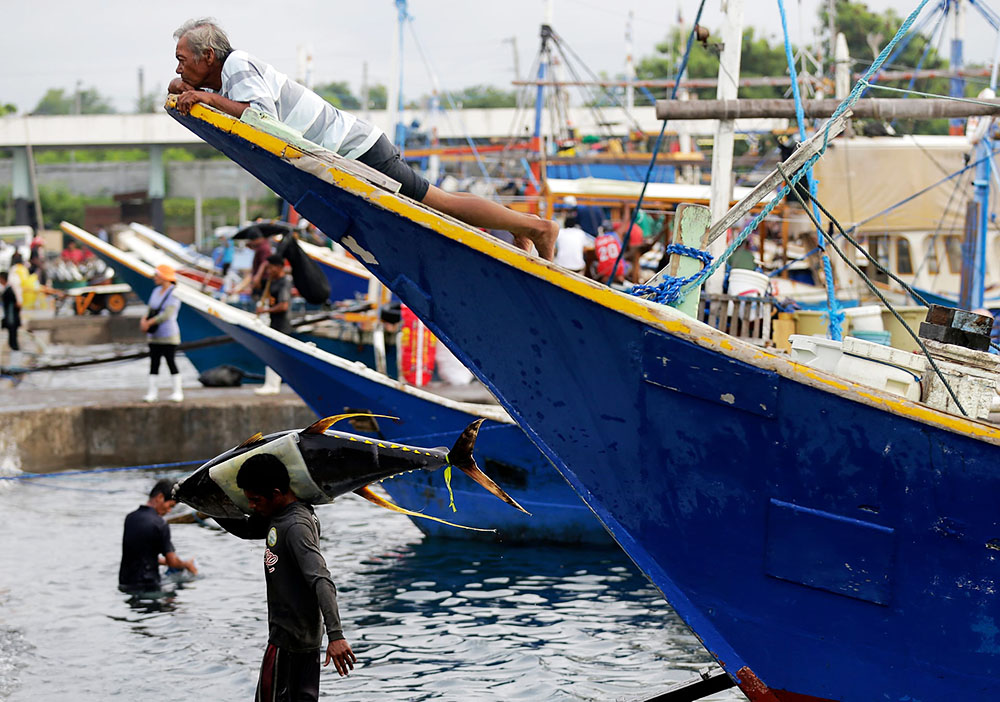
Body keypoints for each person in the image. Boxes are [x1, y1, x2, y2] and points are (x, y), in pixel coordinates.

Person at [168, 18, 557, 261]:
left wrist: (206, 97)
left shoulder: (237, 66)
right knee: (438, 203)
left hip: (359, 149)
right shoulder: (227, 77)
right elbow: (224, 102)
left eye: (183, 59)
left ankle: (537, 227)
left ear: (208, 56)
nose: (179, 68)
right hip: (351, 148)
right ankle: (521, 225)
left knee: (440, 203)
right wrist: (193, 90)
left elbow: (263, 119)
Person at [230, 453, 356, 699]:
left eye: (256, 500)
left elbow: (321, 579)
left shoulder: (295, 526)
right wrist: (204, 504)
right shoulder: (283, 515)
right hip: (304, 643)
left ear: (277, 493)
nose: (252, 506)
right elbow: (247, 529)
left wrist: (336, 635)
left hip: (287, 646)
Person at [119, 479, 197, 593]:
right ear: (160, 497)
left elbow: (140, 556)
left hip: (125, 583)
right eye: (170, 505)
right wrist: (187, 565)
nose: (169, 511)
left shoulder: (130, 518)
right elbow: (172, 562)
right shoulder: (160, 524)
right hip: (148, 586)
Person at [140, 264, 184, 402]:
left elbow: (167, 314)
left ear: (164, 276)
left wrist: (149, 323)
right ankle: (152, 393)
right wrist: (144, 320)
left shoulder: (174, 293)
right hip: (154, 335)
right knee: (154, 363)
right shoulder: (156, 291)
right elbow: (149, 309)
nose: (155, 278)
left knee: (171, 361)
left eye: (157, 275)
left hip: (168, 334)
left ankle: (177, 391)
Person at [254, 253, 291, 395]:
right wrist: (262, 269)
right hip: (273, 322)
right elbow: (256, 284)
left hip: (282, 324)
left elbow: (284, 305)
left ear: (279, 267)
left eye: (270, 268)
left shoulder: (284, 282)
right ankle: (271, 384)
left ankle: (273, 385)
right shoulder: (271, 281)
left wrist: (265, 310)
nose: (269, 271)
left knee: (275, 355)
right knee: (272, 354)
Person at [0, 269, 21, 363]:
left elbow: (13, 307)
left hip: (12, 320)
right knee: (12, 340)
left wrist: (9, 321)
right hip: (11, 319)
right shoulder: (7, 289)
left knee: (13, 341)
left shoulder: (9, 291)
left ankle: (16, 362)